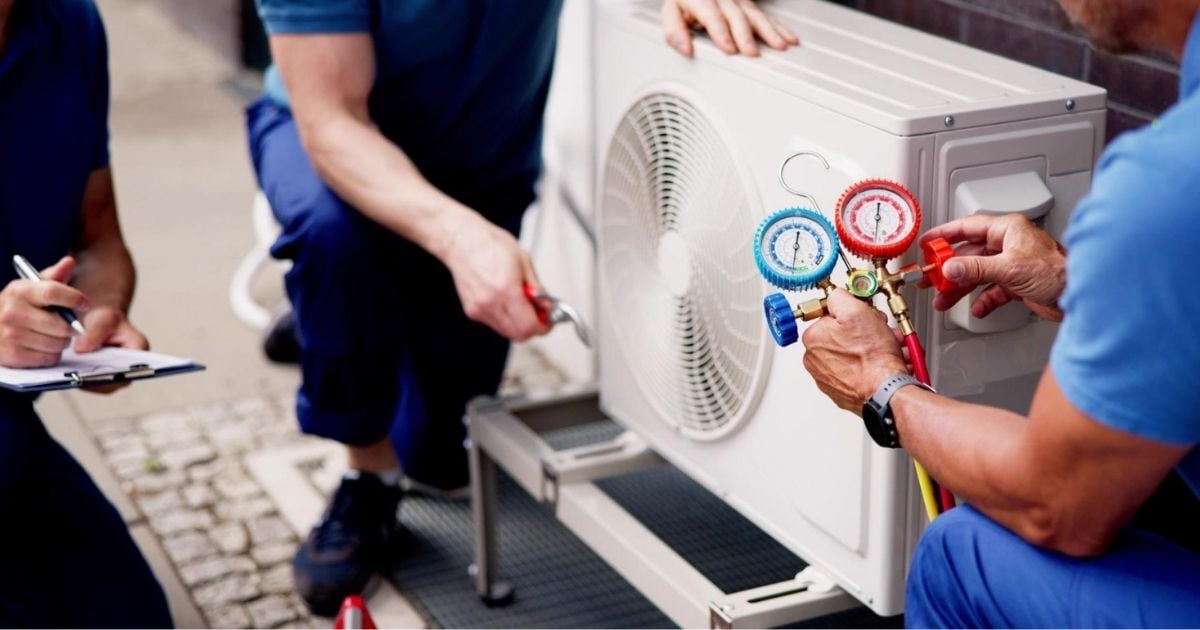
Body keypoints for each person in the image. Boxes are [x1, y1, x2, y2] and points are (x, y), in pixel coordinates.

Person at [246, 0, 798, 615]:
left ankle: (349, 313)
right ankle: (364, 472)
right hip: (336, 145)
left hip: (481, 162)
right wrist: (459, 240)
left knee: (438, 460)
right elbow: (332, 122)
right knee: (336, 243)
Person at [800, 0, 1200, 626]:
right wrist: (1077, 285)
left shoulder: (1170, 183)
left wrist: (884, 389)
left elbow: (1055, 508)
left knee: (960, 550)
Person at [0, 0, 172, 626]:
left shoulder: (69, 23)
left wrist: (98, 316)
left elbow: (99, 240)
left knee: (133, 618)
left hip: (10, 427)